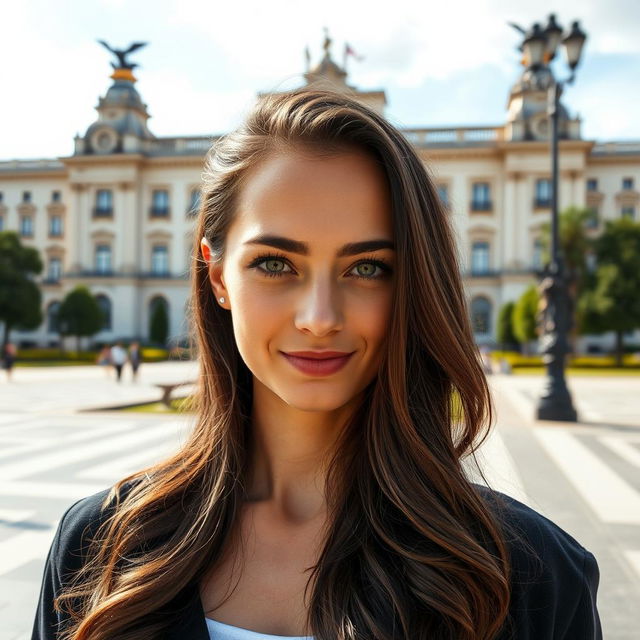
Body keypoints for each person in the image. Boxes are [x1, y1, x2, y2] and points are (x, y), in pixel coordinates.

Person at [32, 89, 601, 640]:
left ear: (415, 283)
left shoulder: (535, 577)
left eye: (369, 267)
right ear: (217, 275)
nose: (320, 317)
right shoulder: (97, 547)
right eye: (276, 263)